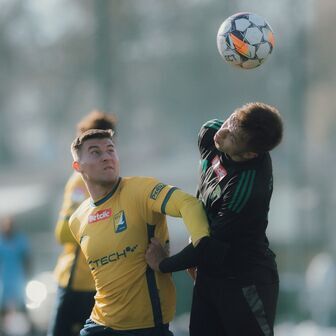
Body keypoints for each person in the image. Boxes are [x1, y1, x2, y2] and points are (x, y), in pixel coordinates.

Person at [145, 102, 283, 336]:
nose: (223, 131)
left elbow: (210, 246)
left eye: (233, 137)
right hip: (209, 277)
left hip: (244, 281)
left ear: (250, 153)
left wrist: (164, 264)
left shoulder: (247, 188)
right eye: (230, 120)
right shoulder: (211, 133)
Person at [67, 128, 209, 336]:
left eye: (110, 150)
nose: (107, 157)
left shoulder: (141, 190)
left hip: (147, 329)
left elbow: (189, 204)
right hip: (99, 325)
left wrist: (200, 253)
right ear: (78, 167)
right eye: (96, 152)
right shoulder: (76, 220)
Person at [48, 110, 117, 336]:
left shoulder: (80, 181)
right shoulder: (113, 180)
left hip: (77, 283)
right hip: (103, 283)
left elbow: (62, 233)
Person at [0, 216, 31, 327]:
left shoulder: (20, 240)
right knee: (2, 303)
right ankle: (3, 328)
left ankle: (30, 326)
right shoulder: (1, 241)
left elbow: (27, 259)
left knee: (22, 302)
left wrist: (28, 275)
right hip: (4, 277)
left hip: (18, 276)